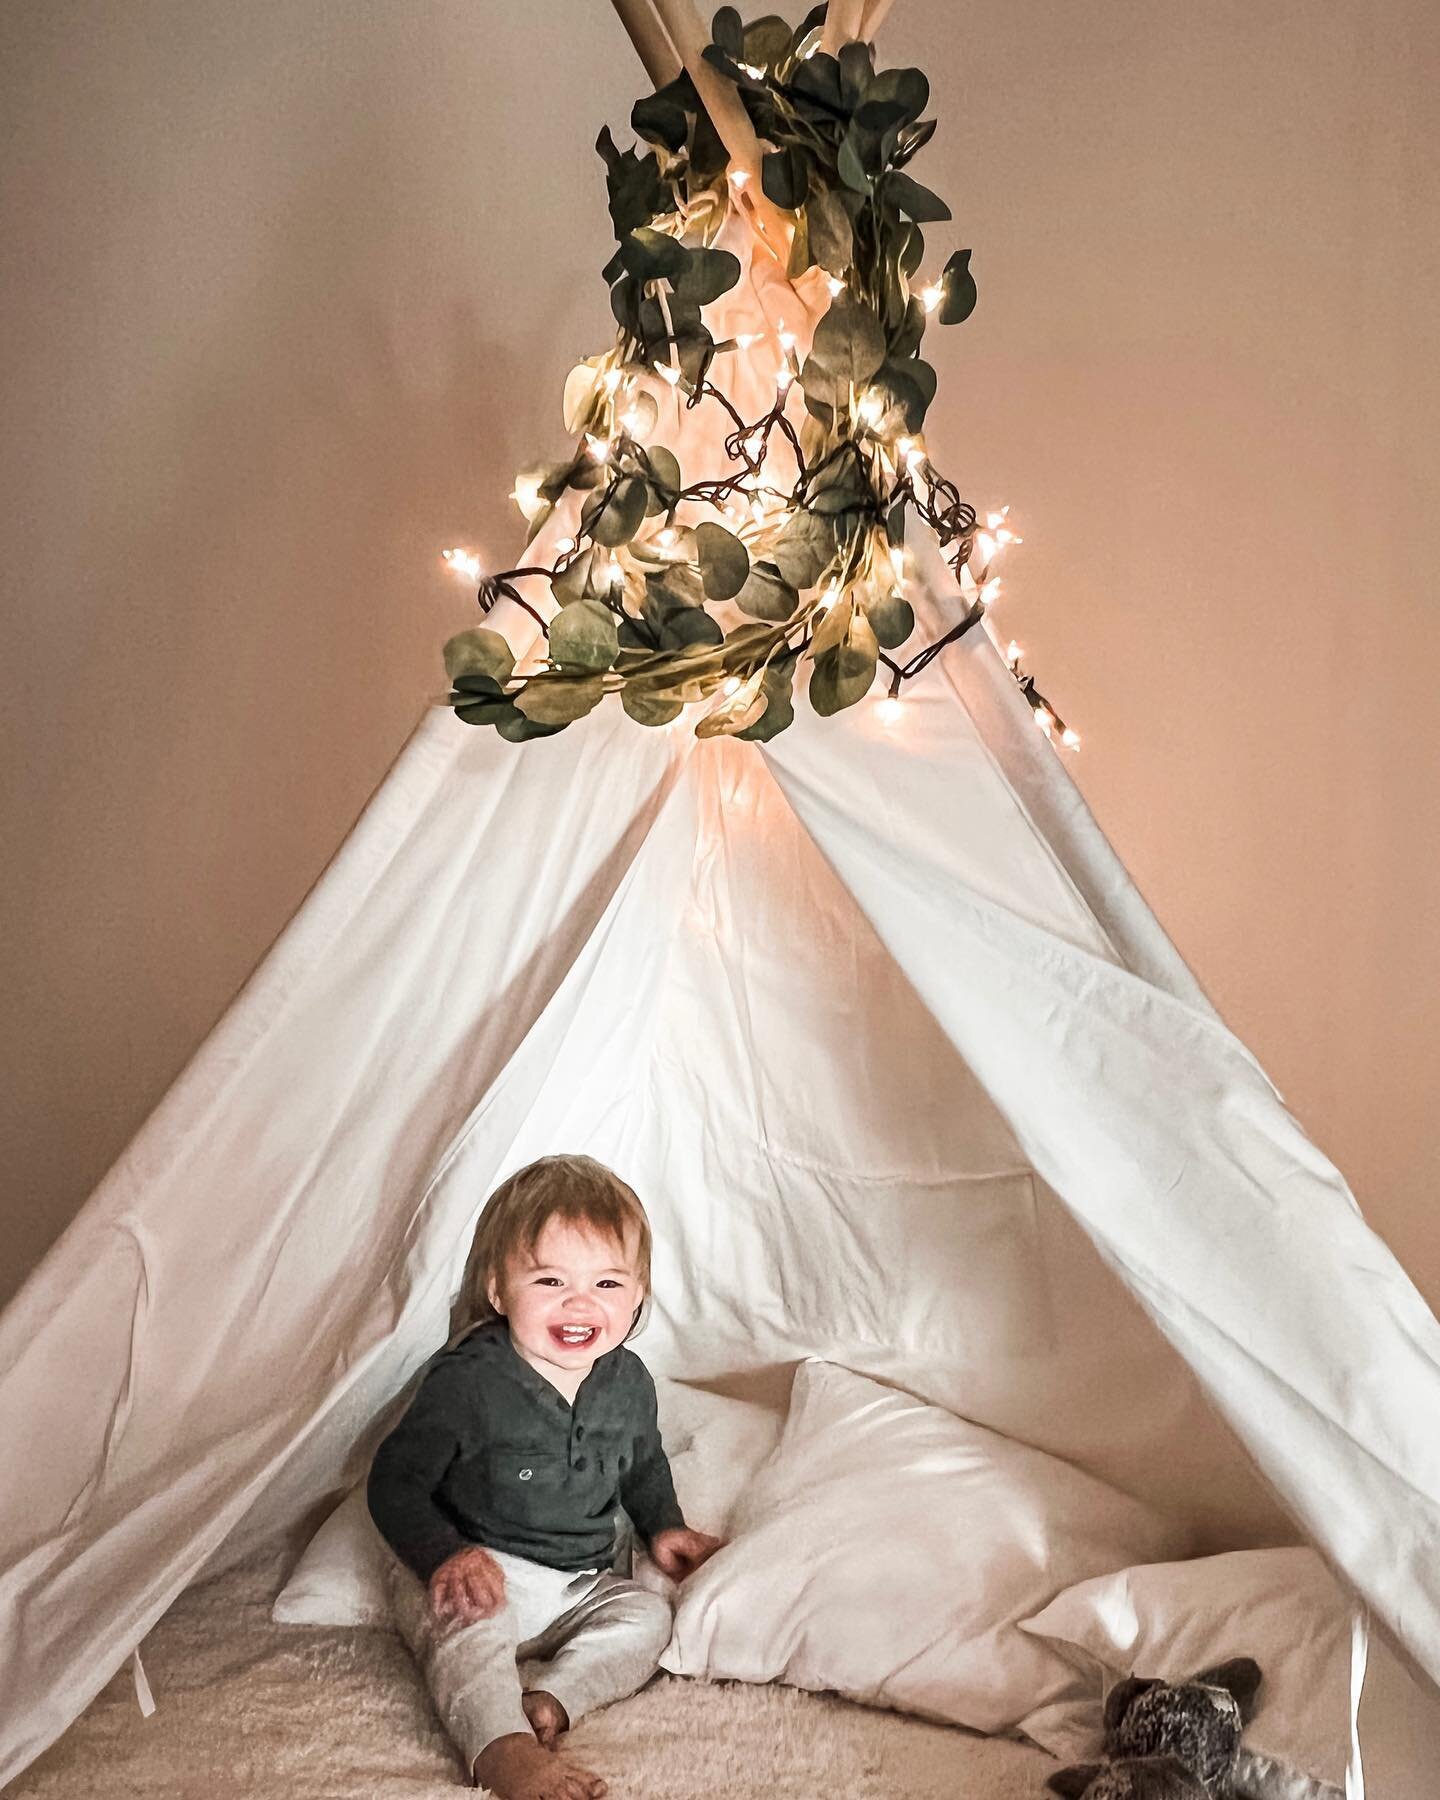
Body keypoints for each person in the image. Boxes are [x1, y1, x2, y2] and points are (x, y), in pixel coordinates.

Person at [368, 1154, 721, 1800]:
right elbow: (394, 1481)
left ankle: (551, 1700)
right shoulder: (469, 1382)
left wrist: (664, 1525)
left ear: (639, 1293)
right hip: (480, 1564)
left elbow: (642, 1462)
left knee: (648, 1615)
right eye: (551, 1281)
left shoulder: (629, 1382)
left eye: (608, 1285)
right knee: (466, 1636)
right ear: (500, 1290)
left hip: (577, 1581)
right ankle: (502, 1749)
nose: (581, 1303)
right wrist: (444, 1556)